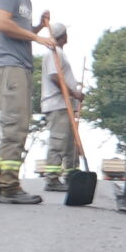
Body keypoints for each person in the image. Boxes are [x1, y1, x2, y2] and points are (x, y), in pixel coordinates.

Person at [0, 0, 61, 206]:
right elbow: (3, 24)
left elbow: (20, 31)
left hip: (19, 67)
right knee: (15, 128)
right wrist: (38, 38)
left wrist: (38, 27)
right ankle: (9, 186)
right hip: (9, 67)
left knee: (17, 127)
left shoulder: (26, 1)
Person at [36, 17, 82, 192]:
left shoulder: (59, 53)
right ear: (63, 36)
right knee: (58, 142)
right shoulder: (53, 53)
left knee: (70, 143)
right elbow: (55, 77)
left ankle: (71, 176)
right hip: (57, 105)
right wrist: (73, 93)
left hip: (65, 105)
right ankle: (52, 179)